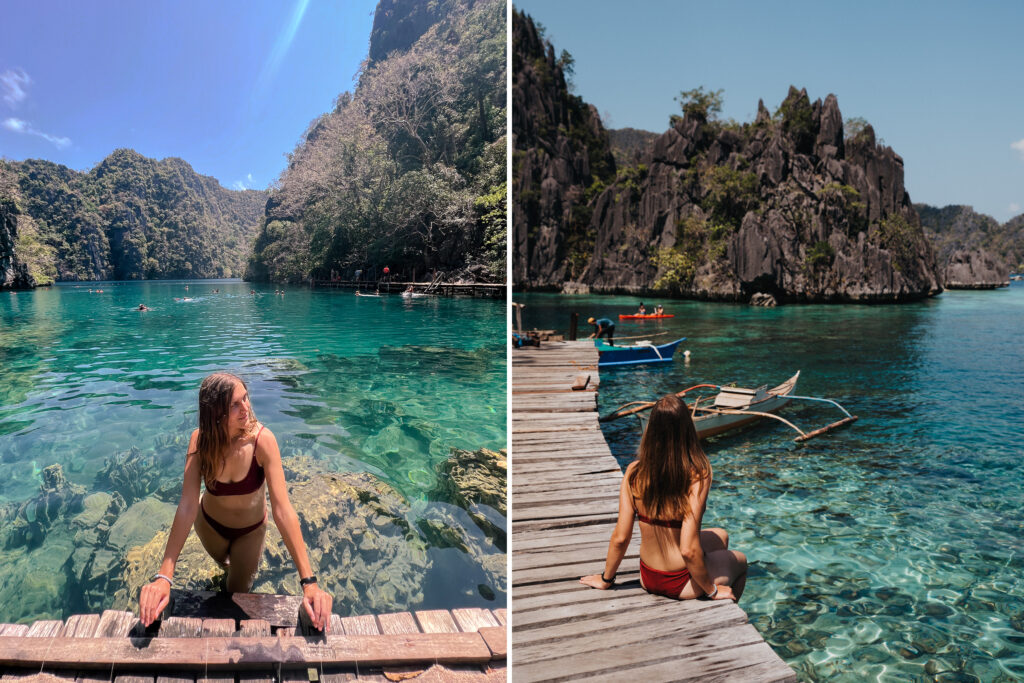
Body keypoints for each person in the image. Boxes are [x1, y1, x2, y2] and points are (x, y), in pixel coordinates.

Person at [139, 373, 332, 631]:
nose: (246, 408)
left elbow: (283, 510)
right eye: (235, 405)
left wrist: (309, 583)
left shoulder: (263, 441)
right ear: (215, 412)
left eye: (246, 398)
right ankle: (223, 569)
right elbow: (187, 505)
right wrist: (164, 577)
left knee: (236, 590)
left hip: (249, 533)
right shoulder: (200, 441)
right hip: (208, 526)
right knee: (224, 574)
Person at [580, 395, 747, 602]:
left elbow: (621, 537)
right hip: (682, 581)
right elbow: (687, 550)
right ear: (687, 429)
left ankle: (710, 572)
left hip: (648, 577)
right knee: (741, 561)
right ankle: (725, 611)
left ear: (651, 430)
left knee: (721, 536)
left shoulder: (633, 472)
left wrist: (606, 579)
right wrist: (712, 590)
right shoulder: (698, 474)